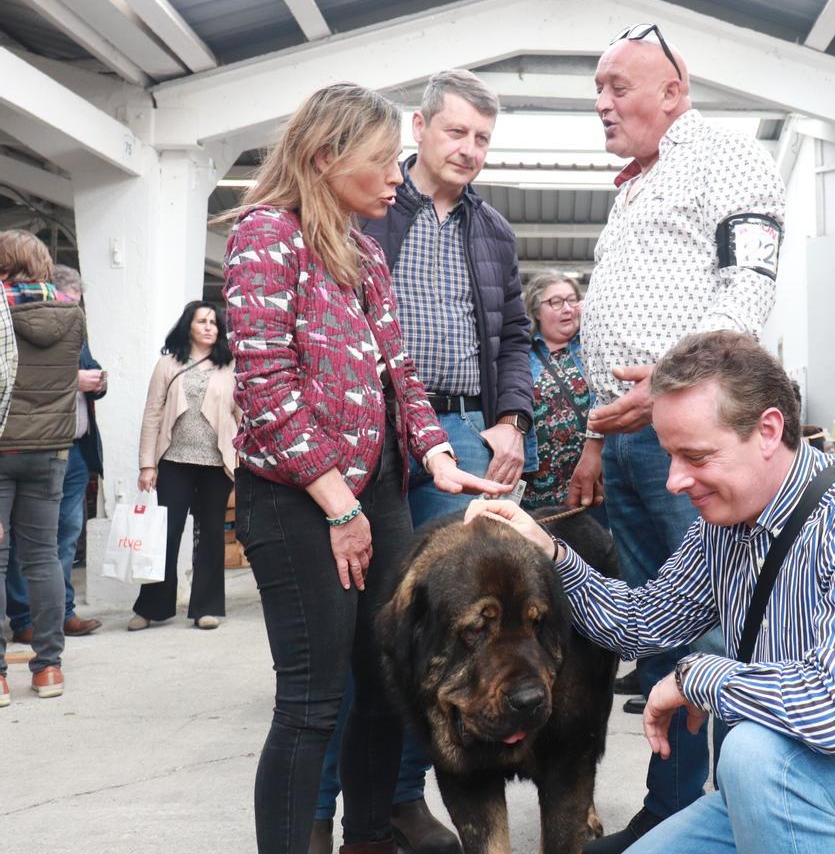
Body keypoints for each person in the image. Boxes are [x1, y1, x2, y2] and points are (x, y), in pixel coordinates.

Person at [470, 330, 835, 854]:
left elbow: (834, 709)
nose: (674, 481)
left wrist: (697, 676)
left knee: (753, 752)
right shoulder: (723, 527)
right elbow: (641, 623)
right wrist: (549, 551)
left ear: (769, 431)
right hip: (796, 789)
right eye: (670, 456)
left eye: (696, 457)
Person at [222, 82, 502, 854]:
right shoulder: (264, 237)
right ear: (324, 157)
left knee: (385, 683)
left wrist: (439, 455)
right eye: (380, 162)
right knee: (312, 701)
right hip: (296, 499)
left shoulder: (365, 250)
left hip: (375, 490)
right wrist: (337, 506)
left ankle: (370, 838)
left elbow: (400, 375)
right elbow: (267, 390)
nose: (394, 176)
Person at [569, 24, 786, 851]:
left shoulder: (724, 156)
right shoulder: (635, 183)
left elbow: (746, 283)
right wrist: (600, 435)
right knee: (659, 631)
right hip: (628, 441)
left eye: (619, 86)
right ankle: (671, 808)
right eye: (598, 88)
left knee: (714, 632)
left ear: (676, 90)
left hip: (692, 440)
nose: (602, 103)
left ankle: (733, 814)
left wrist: (668, 391)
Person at [357, 68, 533, 852]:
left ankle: (399, 799)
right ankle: (345, 803)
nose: (469, 149)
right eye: (457, 132)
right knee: (364, 623)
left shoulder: (493, 231)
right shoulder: (367, 207)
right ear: (419, 128)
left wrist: (510, 420)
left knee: (435, 625)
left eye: (483, 139)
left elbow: (515, 340)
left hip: (459, 435)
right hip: (368, 431)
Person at [0, 229, 86, 704]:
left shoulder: (1, 310)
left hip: (2, 446)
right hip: (52, 450)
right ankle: (49, 668)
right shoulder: (72, 313)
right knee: (43, 558)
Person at [5, 265, 105, 641]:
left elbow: (89, 371)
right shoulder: (16, 327)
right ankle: (26, 619)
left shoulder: (74, 328)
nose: (71, 315)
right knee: (26, 540)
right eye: (69, 304)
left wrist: (97, 383)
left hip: (75, 446)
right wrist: (72, 381)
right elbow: (22, 381)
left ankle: (62, 612)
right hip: (35, 443)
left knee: (64, 535)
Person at [131, 300, 239, 632]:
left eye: (214, 322)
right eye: (202, 321)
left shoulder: (230, 365)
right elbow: (152, 413)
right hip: (174, 461)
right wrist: (147, 464)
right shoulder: (168, 364)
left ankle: (206, 608)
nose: (209, 327)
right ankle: (152, 607)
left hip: (215, 462)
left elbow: (240, 415)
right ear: (187, 326)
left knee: (209, 535)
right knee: (165, 534)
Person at [521, 271, 595, 510]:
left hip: (592, 479)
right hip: (536, 486)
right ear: (535, 310)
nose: (567, 308)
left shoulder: (594, 345)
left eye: (572, 300)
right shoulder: (521, 355)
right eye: (555, 302)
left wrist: (594, 314)